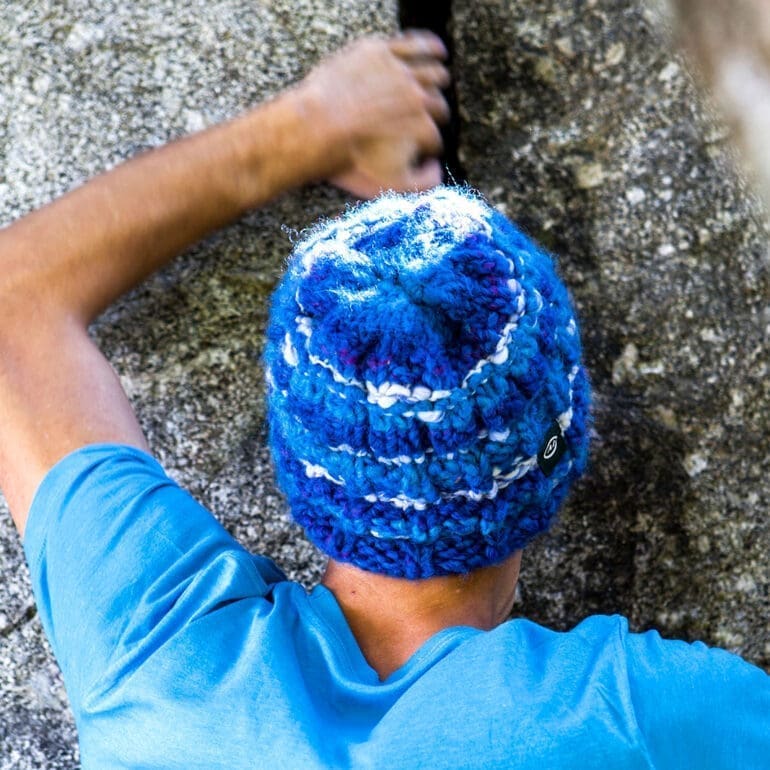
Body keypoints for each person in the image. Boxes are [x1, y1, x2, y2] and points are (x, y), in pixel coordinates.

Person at [0, 29, 768, 770]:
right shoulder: (648, 720)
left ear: (301, 454)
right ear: (559, 451)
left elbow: (14, 305)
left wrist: (311, 126)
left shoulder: (158, 661)